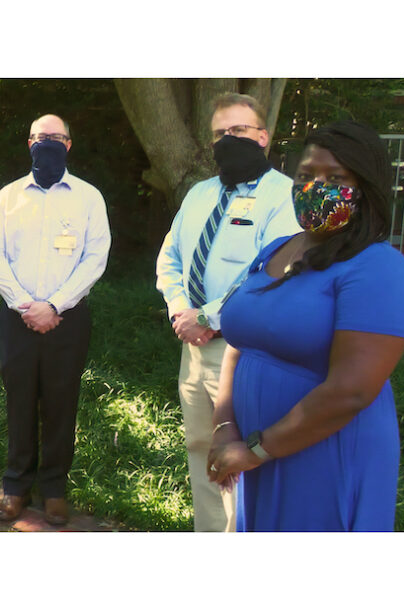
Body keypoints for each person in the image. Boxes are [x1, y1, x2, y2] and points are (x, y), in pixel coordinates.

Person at [207, 121, 404, 531]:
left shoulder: (378, 267)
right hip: (259, 452)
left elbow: (351, 390)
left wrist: (257, 450)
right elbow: (240, 344)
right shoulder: (275, 249)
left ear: (365, 188)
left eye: (335, 178)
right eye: (306, 174)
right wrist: (225, 428)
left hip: (326, 453)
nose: (316, 186)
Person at [155, 93, 301, 532]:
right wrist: (181, 311)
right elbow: (170, 258)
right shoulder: (199, 194)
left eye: (239, 130)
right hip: (193, 349)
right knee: (200, 450)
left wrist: (208, 317)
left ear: (263, 137)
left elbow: (271, 271)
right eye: (220, 133)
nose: (228, 139)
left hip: (243, 351)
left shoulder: (285, 196)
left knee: (237, 455)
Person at [0, 114, 111, 526]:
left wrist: (55, 305)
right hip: (17, 318)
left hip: (68, 320)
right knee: (19, 402)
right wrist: (26, 306)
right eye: (41, 137)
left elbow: (95, 258)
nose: (48, 143)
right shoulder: (8, 197)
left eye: (56, 137)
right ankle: (16, 486)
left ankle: (54, 488)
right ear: (29, 143)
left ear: (69, 144)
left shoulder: (88, 197)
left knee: (61, 403)